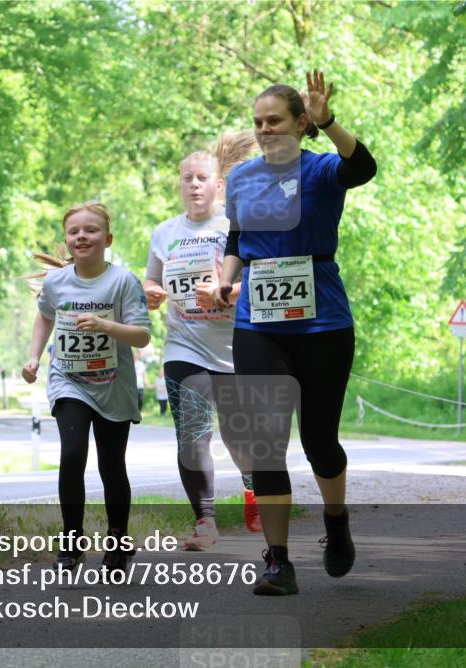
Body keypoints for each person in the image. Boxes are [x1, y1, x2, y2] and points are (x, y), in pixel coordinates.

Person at [211, 70, 377, 594]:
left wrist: (330, 123)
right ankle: (278, 561)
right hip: (258, 320)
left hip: (323, 320)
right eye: (257, 123)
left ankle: (335, 521)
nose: (264, 130)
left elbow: (363, 166)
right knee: (265, 442)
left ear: (300, 122)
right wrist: (227, 277)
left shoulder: (323, 169)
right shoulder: (240, 178)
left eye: (275, 121)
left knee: (320, 443)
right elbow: (238, 235)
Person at [145, 132, 262, 551]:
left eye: (201, 178)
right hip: (185, 344)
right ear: (180, 184)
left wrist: (225, 289)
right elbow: (152, 279)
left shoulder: (234, 226)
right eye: (186, 178)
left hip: (234, 345)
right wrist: (152, 293)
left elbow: (257, 277)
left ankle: (253, 490)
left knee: (237, 438)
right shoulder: (163, 232)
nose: (193, 185)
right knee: (193, 434)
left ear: (218, 184)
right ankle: (205, 522)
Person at [22, 202, 151, 573]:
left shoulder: (123, 281)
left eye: (91, 230)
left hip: (113, 384)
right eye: (74, 231)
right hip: (69, 380)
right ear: (67, 239)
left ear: (107, 239)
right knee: (73, 453)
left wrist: (105, 326)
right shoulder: (56, 282)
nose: (82, 236)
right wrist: (33, 358)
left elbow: (142, 335)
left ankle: (117, 542)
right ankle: (72, 542)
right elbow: (45, 317)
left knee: (112, 466)